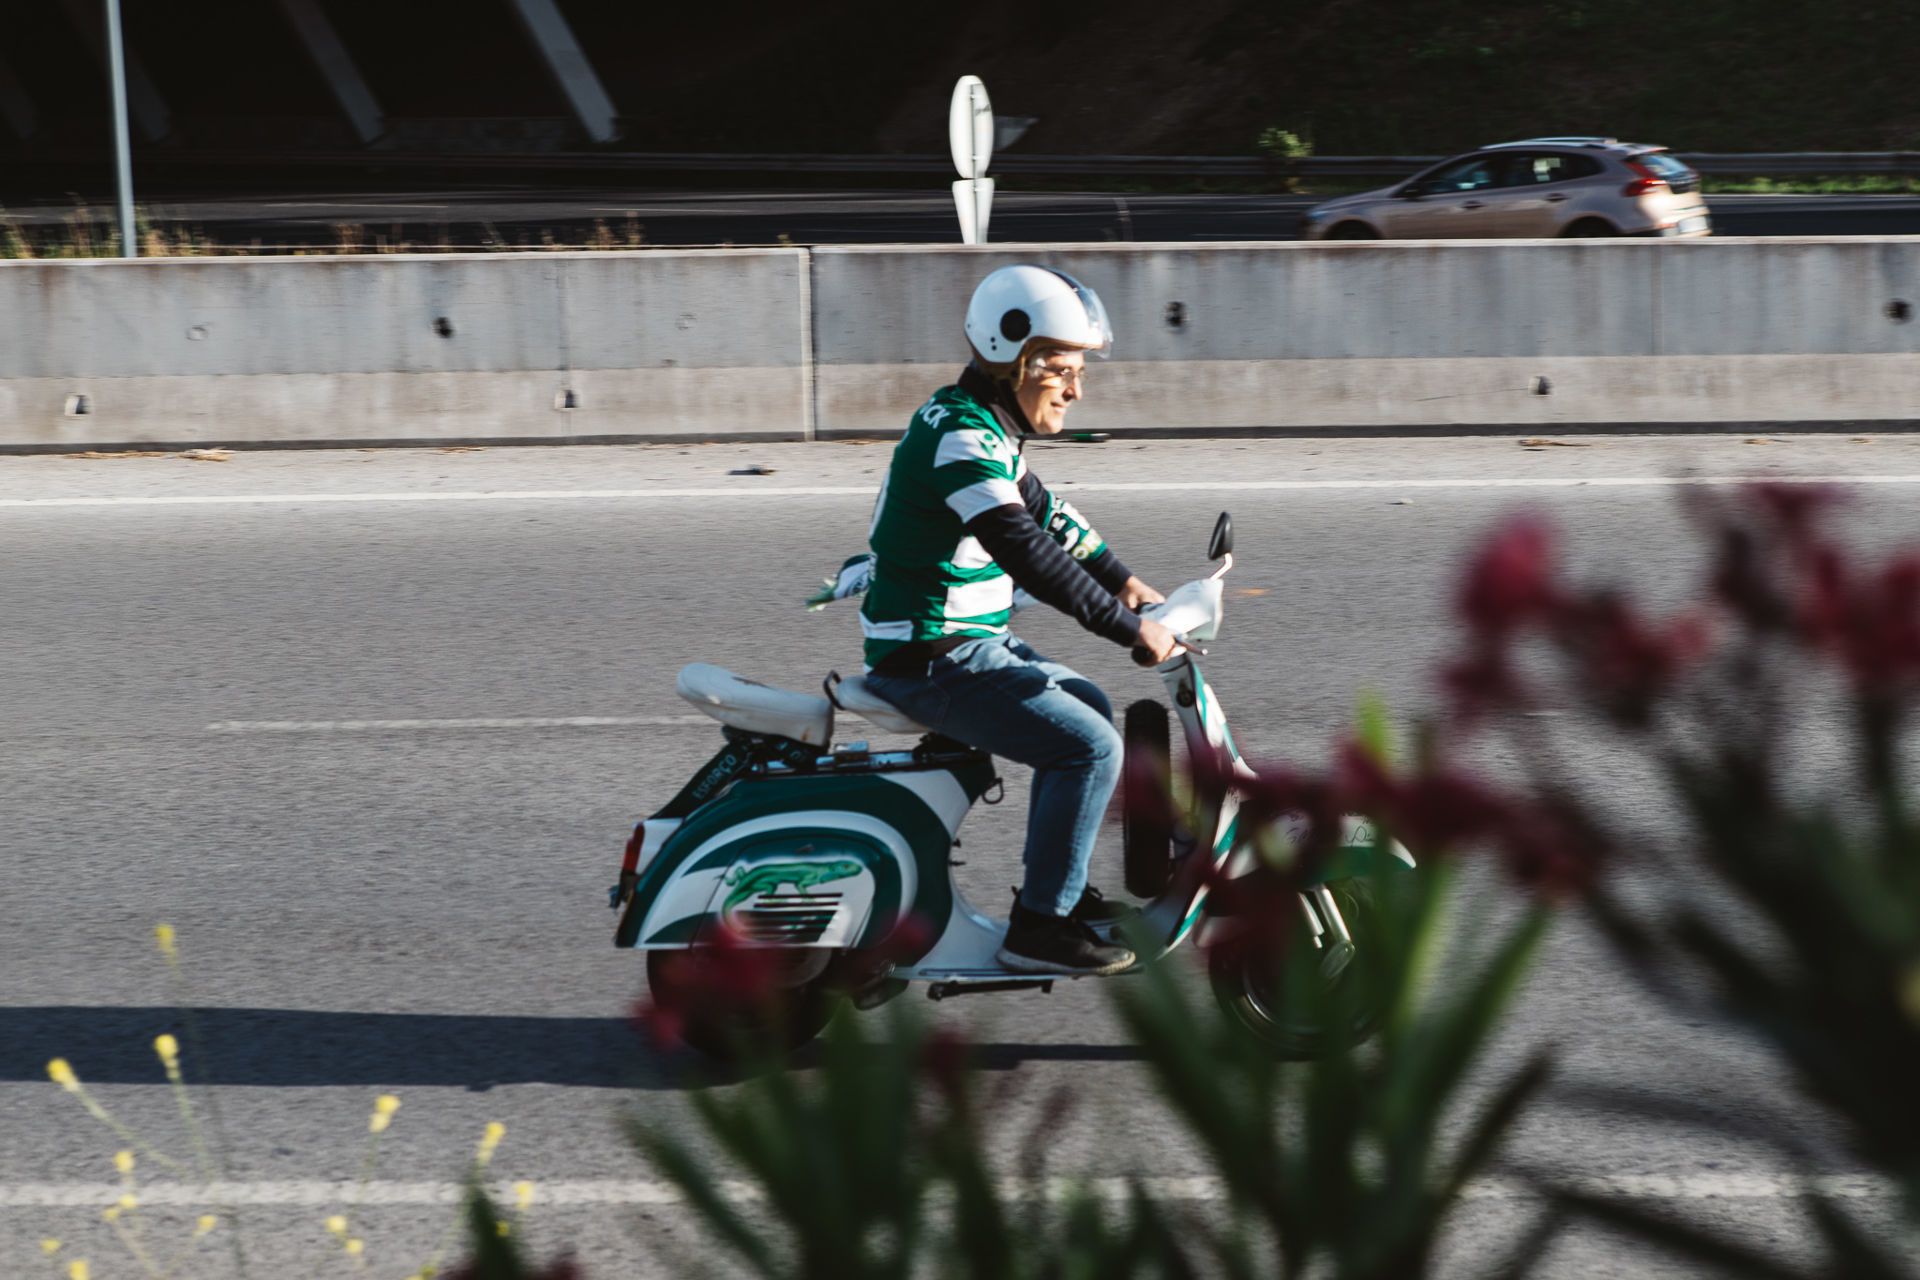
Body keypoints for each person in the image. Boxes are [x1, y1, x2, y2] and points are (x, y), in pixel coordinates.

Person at [860, 265, 1179, 976]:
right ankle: (1037, 929)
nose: (1076, 388)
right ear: (1016, 360)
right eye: (1062, 370)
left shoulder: (983, 426)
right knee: (1090, 748)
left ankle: (1058, 893)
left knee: (1088, 706)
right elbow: (1026, 550)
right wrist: (1128, 630)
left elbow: (1050, 517)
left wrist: (1124, 580)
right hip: (931, 657)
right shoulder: (963, 441)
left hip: (967, 645)